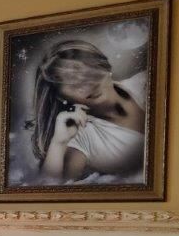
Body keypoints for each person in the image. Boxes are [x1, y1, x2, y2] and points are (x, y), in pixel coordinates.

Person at [32, 40, 146, 182]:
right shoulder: (81, 136)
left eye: (88, 72)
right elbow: (47, 189)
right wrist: (58, 143)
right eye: (72, 82)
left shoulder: (144, 83)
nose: (88, 84)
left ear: (104, 66)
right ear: (61, 97)